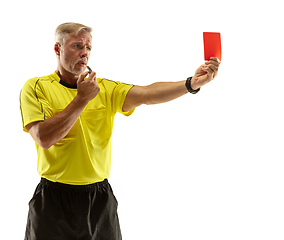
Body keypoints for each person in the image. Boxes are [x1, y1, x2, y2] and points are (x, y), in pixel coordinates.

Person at [19, 22, 220, 240]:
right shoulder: (37, 87)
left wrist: (191, 83)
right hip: (53, 199)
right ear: (58, 49)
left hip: (99, 199)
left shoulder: (104, 88)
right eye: (77, 46)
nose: (84, 53)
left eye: (88, 48)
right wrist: (81, 99)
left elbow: (147, 94)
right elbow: (44, 138)